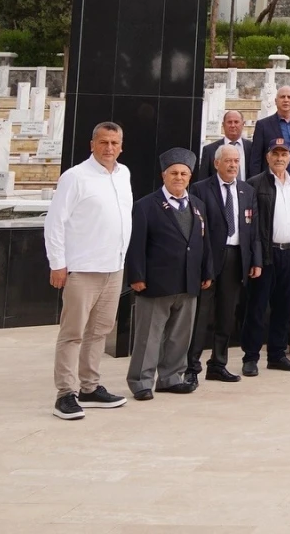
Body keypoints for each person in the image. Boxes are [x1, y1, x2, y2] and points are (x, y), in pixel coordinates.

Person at [44, 121, 133, 420]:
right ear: (92, 144)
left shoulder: (124, 175)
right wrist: (57, 263)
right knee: (73, 334)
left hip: (114, 267)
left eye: (114, 143)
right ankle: (65, 394)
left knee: (99, 332)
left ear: (121, 146)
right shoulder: (75, 177)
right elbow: (54, 222)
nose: (109, 148)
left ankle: (90, 387)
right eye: (103, 142)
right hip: (83, 269)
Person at [125, 149, 213, 400]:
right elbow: (136, 244)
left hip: (188, 281)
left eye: (184, 173)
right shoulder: (146, 205)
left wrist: (206, 270)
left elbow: (202, 241)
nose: (179, 177)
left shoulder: (198, 205)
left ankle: (171, 377)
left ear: (190, 176)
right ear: (164, 175)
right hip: (156, 281)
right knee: (149, 336)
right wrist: (137, 276)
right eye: (173, 173)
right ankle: (141, 381)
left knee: (179, 335)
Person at [186, 143, 261, 386]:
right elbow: (197, 230)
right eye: (228, 161)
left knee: (226, 315)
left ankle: (218, 364)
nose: (232, 165)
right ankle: (191, 367)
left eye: (236, 161)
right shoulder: (199, 189)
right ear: (216, 163)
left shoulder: (247, 191)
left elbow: (254, 230)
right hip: (209, 259)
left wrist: (255, 260)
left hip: (236, 258)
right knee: (201, 315)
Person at [242, 138, 290, 376]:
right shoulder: (255, 184)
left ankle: (277, 355)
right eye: (275, 153)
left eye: (284, 154)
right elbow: (253, 227)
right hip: (266, 256)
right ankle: (250, 357)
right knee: (258, 308)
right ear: (268, 156)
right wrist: (256, 258)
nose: (280, 158)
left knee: (284, 308)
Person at [250, 86, 290, 184]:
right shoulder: (263, 125)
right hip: (270, 181)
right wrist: (255, 184)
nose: (286, 100)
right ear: (276, 101)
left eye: (289, 97)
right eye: (282, 97)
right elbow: (256, 158)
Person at [198, 110, 252, 181]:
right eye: (229, 122)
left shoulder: (252, 148)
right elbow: (203, 179)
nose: (233, 125)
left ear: (243, 124)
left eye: (236, 122)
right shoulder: (209, 150)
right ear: (223, 125)